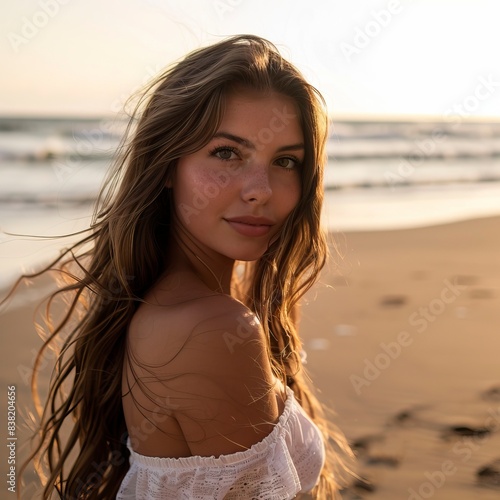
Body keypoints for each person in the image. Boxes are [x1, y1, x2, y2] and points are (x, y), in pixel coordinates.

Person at [15, 34, 353, 499]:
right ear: (168, 164)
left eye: (286, 161)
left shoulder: (184, 305)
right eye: (227, 153)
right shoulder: (210, 328)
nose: (261, 189)